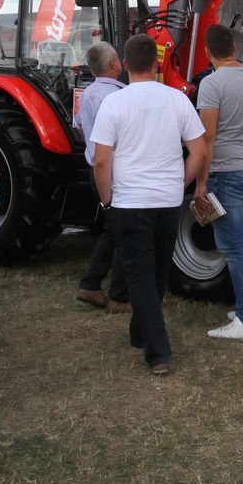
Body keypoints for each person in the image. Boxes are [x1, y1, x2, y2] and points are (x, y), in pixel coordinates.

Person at [91, 34, 206, 376]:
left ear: (124, 65)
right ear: (157, 65)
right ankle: (140, 332)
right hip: (168, 200)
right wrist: (181, 182)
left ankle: (159, 352)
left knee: (140, 275)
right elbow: (199, 150)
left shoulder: (114, 103)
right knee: (157, 271)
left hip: (129, 201)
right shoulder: (177, 100)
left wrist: (106, 197)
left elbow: (101, 161)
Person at [194, 24, 243, 340]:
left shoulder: (212, 84)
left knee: (233, 247)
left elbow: (208, 137)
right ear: (235, 48)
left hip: (227, 173)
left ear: (207, 51)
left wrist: (201, 182)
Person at [75, 42, 129, 312]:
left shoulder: (87, 93)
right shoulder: (119, 95)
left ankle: (91, 284)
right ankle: (118, 296)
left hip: (95, 168)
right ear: (112, 65)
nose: (120, 63)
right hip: (114, 170)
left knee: (114, 228)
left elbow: (78, 126)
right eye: (118, 59)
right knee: (123, 230)